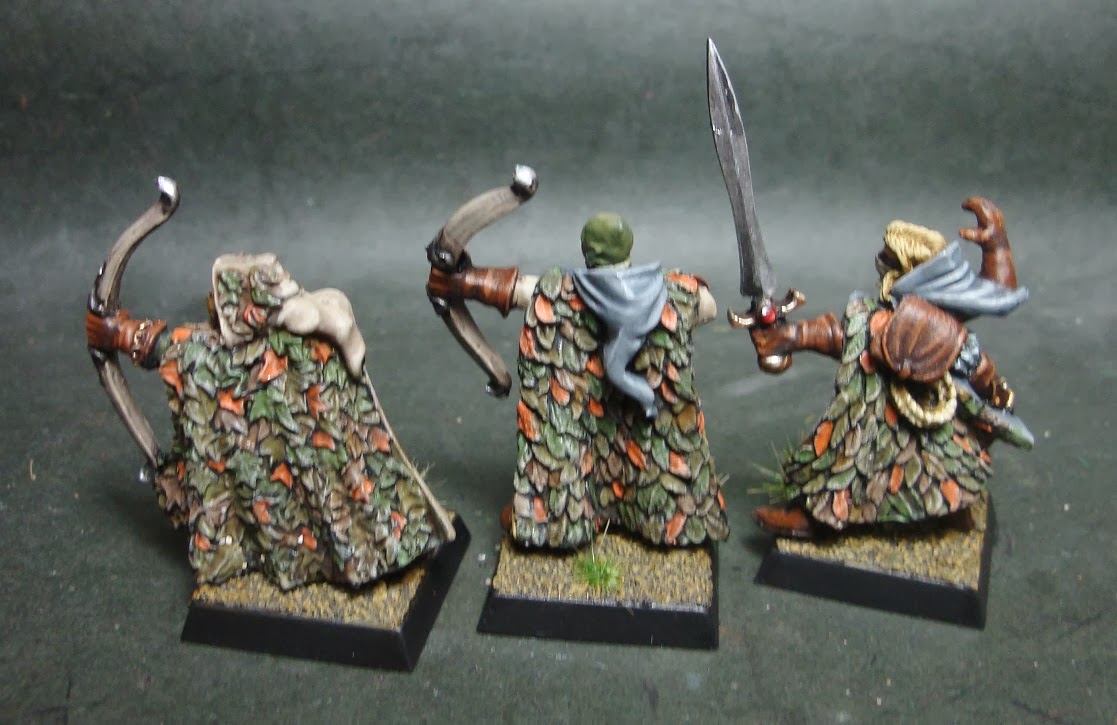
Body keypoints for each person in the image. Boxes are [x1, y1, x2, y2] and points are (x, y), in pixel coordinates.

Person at [87, 253, 455, 589]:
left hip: (335, 490)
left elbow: (169, 348)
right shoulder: (222, 352)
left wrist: (119, 333)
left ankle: (368, 549)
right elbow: (173, 348)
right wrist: (121, 333)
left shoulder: (301, 339)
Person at [429, 213, 729, 549]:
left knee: (597, 408)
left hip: (617, 400)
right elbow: (708, 307)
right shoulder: (669, 291)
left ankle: (563, 515)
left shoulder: (563, 293)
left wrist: (462, 281)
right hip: (629, 398)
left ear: (588, 251)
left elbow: (520, 290)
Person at [747, 198, 1033, 537]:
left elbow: (850, 335)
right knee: (891, 459)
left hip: (906, 414)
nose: (880, 264)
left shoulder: (917, 321)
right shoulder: (894, 314)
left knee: (895, 458)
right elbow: (845, 335)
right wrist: (792, 336)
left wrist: (794, 336)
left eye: (886, 258)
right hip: (889, 412)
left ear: (903, 268)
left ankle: (828, 517)